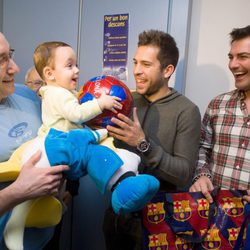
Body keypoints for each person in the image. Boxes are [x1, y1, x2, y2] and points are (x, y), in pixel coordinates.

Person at [102, 29, 201, 249]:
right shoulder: (125, 99)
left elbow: (183, 174)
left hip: (158, 224)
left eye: (146, 65)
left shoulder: (186, 111)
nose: (136, 71)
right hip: (116, 216)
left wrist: (143, 143)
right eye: (135, 62)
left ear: (167, 70)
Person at [0, 32, 69, 249]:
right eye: (1, 59)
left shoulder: (28, 96)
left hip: (44, 238)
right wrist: (18, 191)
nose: (15, 68)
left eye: (9, 55)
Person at [189, 25, 250, 203]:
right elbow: (202, 148)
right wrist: (202, 175)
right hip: (215, 217)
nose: (232, 64)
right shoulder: (218, 104)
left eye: (243, 57)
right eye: (231, 57)